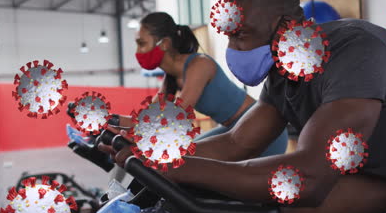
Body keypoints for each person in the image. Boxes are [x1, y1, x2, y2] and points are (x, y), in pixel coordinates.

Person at [103, 0, 386, 213]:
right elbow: (237, 143)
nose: (233, 48)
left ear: (285, 27)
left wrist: (176, 167)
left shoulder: (356, 52)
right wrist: (162, 154)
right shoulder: (284, 74)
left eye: (241, 35)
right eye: (229, 36)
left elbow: (308, 177)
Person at [104, 11, 288, 159]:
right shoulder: (171, 78)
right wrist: (110, 121)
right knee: (184, 157)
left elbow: (175, 115)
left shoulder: (199, 65)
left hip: (261, 127)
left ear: (165, 44)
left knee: (186, 160)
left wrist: (123, 129)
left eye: (141, 44)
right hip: (232, 129)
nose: (138, 52)